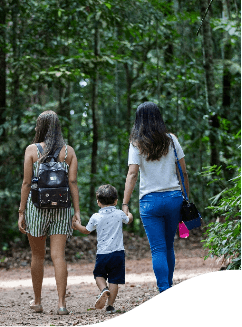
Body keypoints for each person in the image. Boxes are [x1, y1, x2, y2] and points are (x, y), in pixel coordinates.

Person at [18, 110, 81, 315]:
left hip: (36, 208)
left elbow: (27, 183)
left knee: (37, 256)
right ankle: (62, 304)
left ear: (40, 127)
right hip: (62, 209)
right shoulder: (68, 152)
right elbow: (72, 182)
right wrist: (77, 211)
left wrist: (21, 212)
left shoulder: (32, 150)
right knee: (58, 256)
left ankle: (37, 301)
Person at [122, 101, 189, 293]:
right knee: (168, 246)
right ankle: (167, 286)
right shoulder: (171, 140)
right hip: (173, 198)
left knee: (158, 249)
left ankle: (163, 288)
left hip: (150, 202)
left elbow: (132, 174)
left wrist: (125, 204)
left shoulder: (136, 144)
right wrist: (185, 197)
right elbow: (183, 172)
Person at [73, 184, 133, 313]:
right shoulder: (119, 214)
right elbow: (128, 220)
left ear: (98, 202)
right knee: (114, 280)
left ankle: (103, 289)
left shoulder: (96, 217)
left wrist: (77, 225)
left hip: (103, 254)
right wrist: (130, 214)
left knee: (99, 274)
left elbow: (86, 230)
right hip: (118, 253)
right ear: (116, 201)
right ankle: (110, 306)